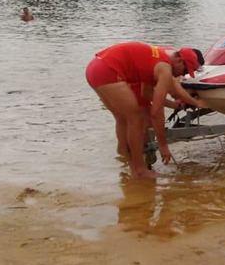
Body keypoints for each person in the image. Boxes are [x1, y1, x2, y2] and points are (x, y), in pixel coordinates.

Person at [85, 42, 206, 179]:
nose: (182, 74)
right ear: (178, 60)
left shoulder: (159, 59)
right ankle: (139, 170)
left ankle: (125, 159)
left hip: (95, 68)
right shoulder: (165, 69)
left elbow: (147, 94)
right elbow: (156, 112)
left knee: (123, 118)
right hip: (109, 70)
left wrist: (176, 105)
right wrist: (163, 146)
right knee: (135, 118)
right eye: (184, 71)